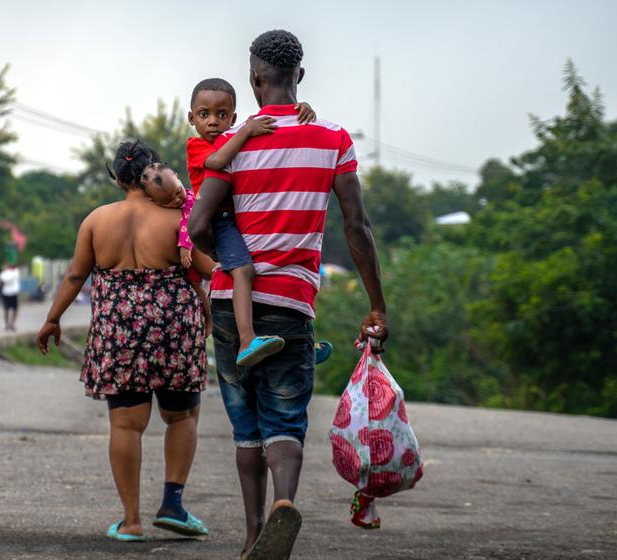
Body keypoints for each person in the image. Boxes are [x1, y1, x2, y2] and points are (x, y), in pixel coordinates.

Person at [187, 30, 389, 559]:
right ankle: (284, 504)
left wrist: (223, 263)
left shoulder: (233, 142)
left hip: (233, 302)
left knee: (245, 422)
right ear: (299, 75)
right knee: (285, 415)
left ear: (255, 79)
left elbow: (200, 221)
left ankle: (253, 536)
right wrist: (377, 304)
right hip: (293, 302)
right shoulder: (334, 139)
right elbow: (357, 226)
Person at [37, 142, 217, 543]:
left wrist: (52, 319)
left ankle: (131, 520)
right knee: (182, 417)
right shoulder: (175, 222)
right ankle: (172, 503)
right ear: (151, 173)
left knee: (125, 424)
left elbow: (73, 277)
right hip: (174, 326)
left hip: (118, 328)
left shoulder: (97, 220)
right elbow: (209, 269)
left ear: (117, 178)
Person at [183, 78, 333, 366]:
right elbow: (216, 162)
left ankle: (301, 344)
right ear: (192, 118)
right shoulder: (198, 146)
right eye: (204, 115)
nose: (213, 122)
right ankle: (247, 339)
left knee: (282, 262)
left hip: (242, 215)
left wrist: (299, 111)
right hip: (222, 221)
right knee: (244, 271)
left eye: (222, 115)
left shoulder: (237, 137)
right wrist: (248, 131)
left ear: (234, 117)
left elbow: (270, 124)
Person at [0, 262, 21, 332]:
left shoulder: (4, 274)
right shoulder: (14, 272)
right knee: (13, 309)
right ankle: (10, 324)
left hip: (8, 293)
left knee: (7, 309)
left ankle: (8, 324)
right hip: (11, 293)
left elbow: (1, 283)